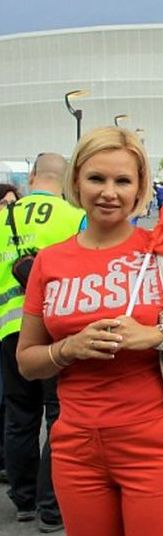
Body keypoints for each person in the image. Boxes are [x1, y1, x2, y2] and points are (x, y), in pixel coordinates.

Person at [16, 126, 163, 536]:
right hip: (75, 450)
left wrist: (157, 337)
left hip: (157, 447)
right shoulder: (49, 262)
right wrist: (68, 349)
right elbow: (27, 362)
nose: (109, 192)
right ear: (76, 180)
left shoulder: (161, 252)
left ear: (139, 188)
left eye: (122, 181)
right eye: (97, 178)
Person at [0, 155, 85, 533]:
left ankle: (23, 500)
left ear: (32, 176)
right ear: (66, 178)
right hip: (56, 332)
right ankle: (52, 506)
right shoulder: (74, 217)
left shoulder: (3, 218)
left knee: (19, 415)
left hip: (8, 331)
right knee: (58, 418)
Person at [0, 183, 21, 486]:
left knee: (12, 405)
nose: (8, 208)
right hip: (8, 325)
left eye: (11, 203)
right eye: (4, 203)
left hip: (11, 327)